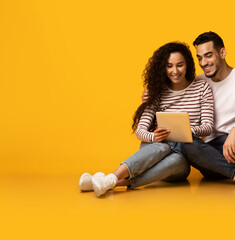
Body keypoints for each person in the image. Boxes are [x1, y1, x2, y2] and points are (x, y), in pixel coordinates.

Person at [142, 32, 235, 196]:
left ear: (222, 53)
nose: (203, 63)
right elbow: (176, 94)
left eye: (208, 56)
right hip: (209, 158)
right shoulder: (198, 82)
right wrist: (152, 94)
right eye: (199, 58)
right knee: (185, 140)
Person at [78, 42, 214, 197]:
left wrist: (186, 130)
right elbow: (140, 131)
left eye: (180, 65)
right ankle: (111, 180)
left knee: (176, 159)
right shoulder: (157, 91)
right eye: (169, 66)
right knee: (163, 147)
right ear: (163, 67)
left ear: (188, 65)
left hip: (180, 158)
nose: (174, 71)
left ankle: (108, 180)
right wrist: (153, 136)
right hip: (155, 150)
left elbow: (208, 126)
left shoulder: (202, 88)